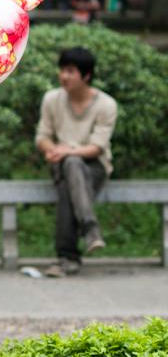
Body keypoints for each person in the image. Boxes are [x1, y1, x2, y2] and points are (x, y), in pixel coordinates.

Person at [35, 46, 118, 278]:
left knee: (69, 176)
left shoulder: (106, 105)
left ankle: (67, 257)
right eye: (62, 70)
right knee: (70, 165)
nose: (64, 76)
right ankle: (90, 230)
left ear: (86, 75)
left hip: (95, 167)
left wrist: (66, 151)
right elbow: (42, 137)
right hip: (62, 163)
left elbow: (97, 147)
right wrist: (52, 150)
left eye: (71, 71)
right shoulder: (51, 99)